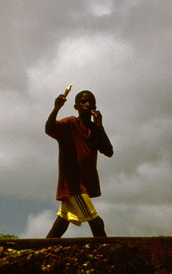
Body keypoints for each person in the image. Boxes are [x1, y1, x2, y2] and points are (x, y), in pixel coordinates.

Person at [44, 89, 113, 238]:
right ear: (76, 107)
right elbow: (49, 129)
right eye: (83, 101)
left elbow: (108, 151)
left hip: (84, 184)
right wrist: (56, 109)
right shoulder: (70, 123)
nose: (88, 104)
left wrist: (100, 125)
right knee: (97, 223)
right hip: (74, 185)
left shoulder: (94, 129)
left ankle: (40, 252)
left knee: (61, 224)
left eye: (91, 101)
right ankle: (107, 256)